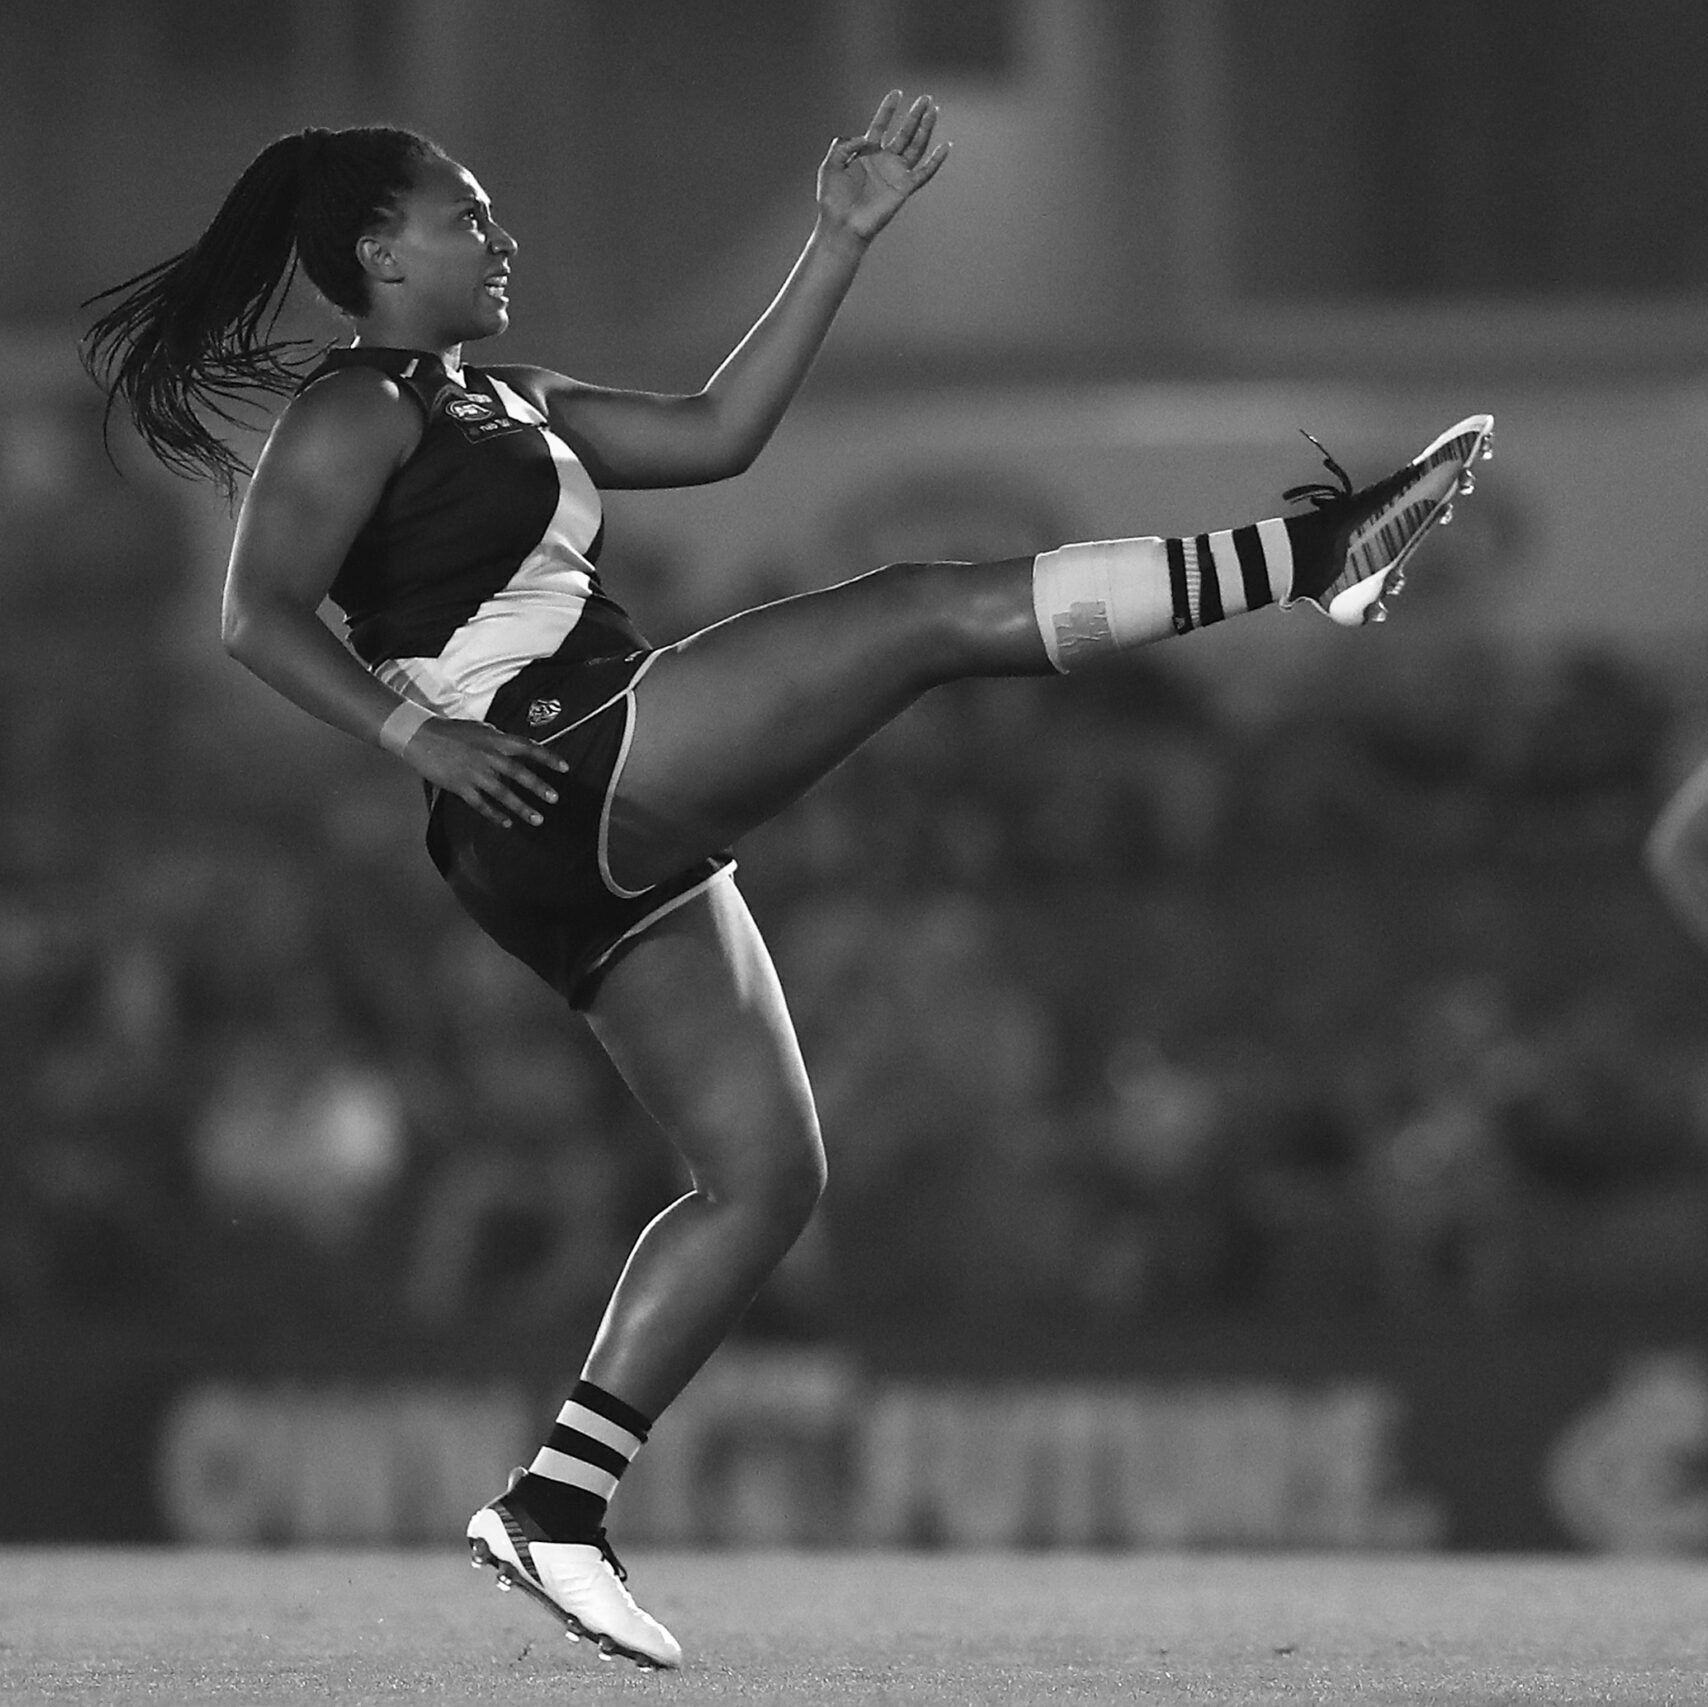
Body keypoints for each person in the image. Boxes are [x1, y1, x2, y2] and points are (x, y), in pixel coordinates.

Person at [82, 95, 1492, 1670]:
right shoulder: (353, 410)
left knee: (769, 1182)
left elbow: (718, 434)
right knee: (913, 617)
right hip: (554, 764)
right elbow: (253, 616)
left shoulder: (506, 391)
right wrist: (422, 736)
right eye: (468, 214)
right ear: (376, 248)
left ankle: (554, 1507)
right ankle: (1315, 563)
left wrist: (838, 241)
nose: (501, 236)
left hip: (572, 812)